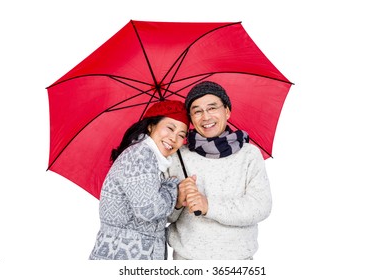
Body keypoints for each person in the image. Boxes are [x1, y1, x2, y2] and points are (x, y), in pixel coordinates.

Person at [167, 81, 272, 260]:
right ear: (191, 119)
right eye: (197, 111)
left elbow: (260, 207)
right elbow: (165, 217)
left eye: (212, 108)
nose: (206, 117)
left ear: (227, 111)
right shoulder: (177, 156)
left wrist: (208, 205)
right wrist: (177, 201)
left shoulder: (249, 154)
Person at [89, 100, 189, 260]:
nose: (173, 138)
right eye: (170, 128)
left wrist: (175, 199)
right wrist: (172, 188)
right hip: (123, 254)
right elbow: (149, 211)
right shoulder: (141, 155)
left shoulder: (149, 159)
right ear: (151, 126)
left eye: (181, 135)